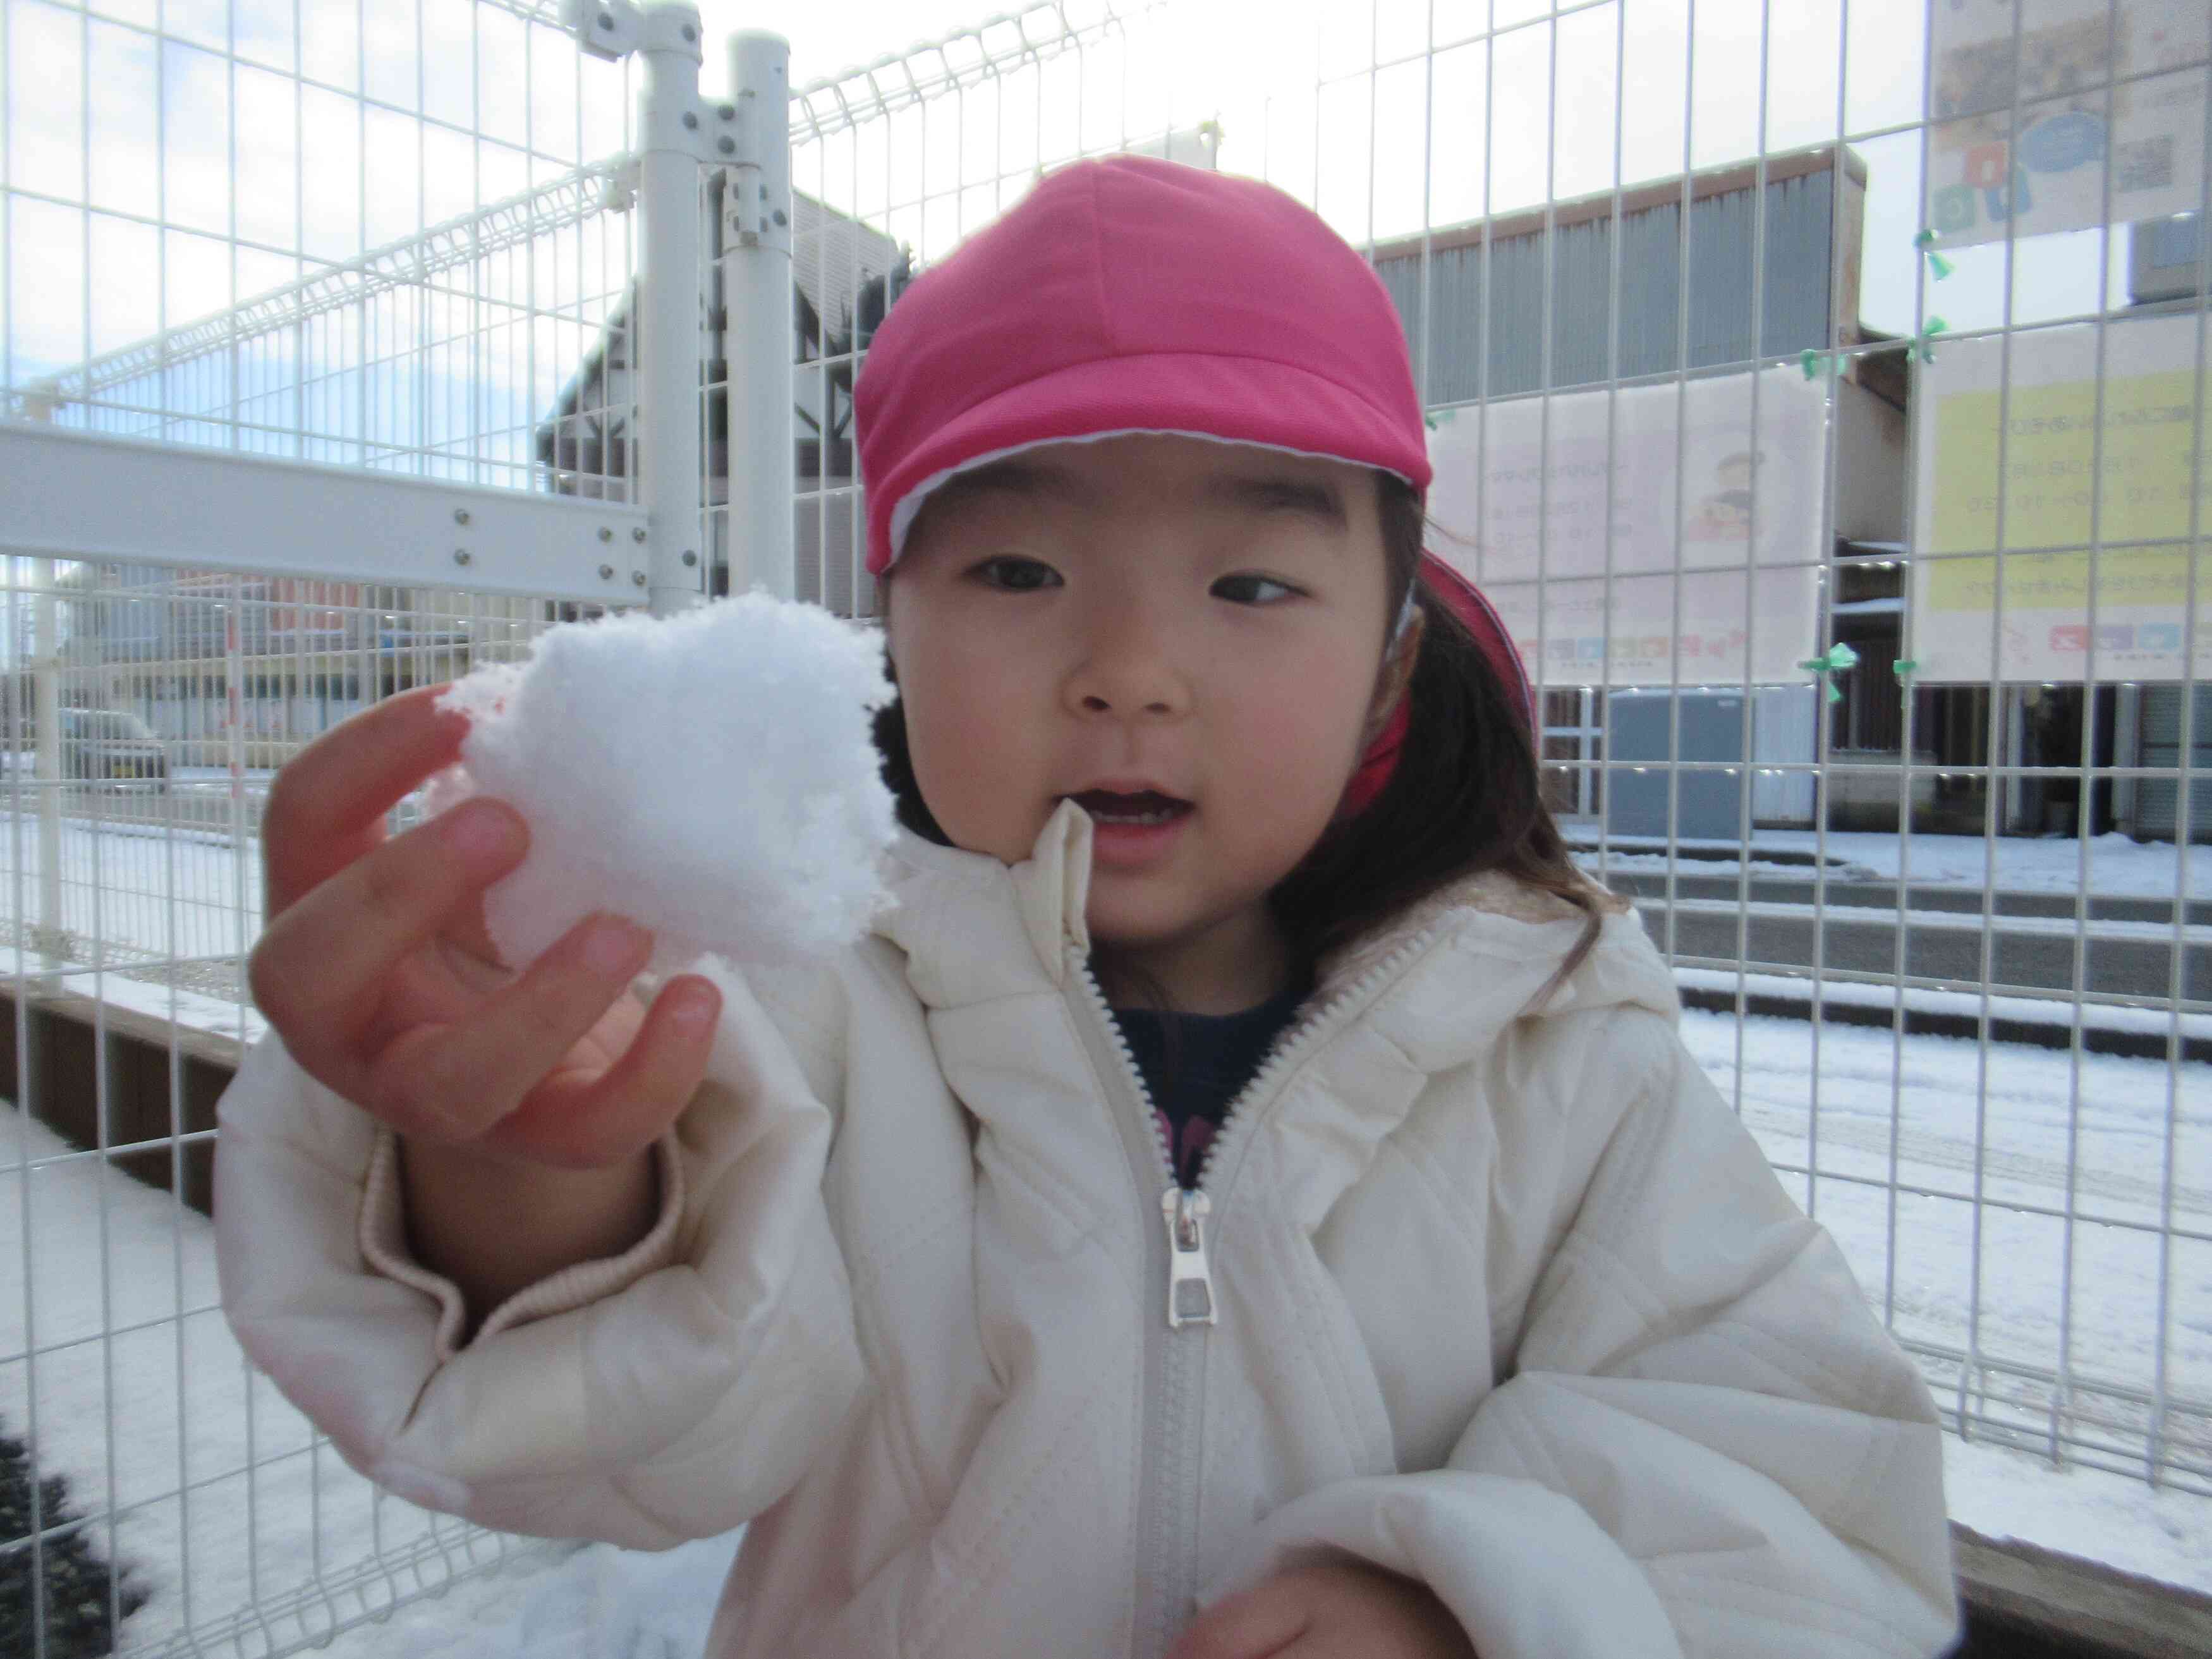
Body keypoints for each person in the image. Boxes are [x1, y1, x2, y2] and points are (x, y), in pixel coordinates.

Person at [216, 155, 1958, 1659]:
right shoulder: (804, 1002)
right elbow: (634, 1447)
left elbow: (1795, 1479)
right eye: (1016, 570)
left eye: (1254, 579)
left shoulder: (1553, 1049)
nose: (1126, 669)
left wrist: (1481, 1598)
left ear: (1385, 667)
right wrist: (529, 1168)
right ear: (887, 629)